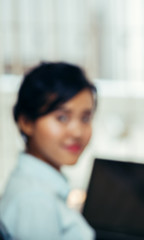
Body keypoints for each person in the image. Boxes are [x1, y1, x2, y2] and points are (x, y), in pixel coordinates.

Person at [0, 62, 97, 240]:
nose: (77, 132)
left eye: (85, 118)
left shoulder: (35, 186)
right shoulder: (35, 201)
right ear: (26, 122)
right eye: (62, 117)